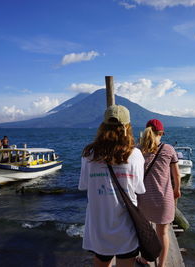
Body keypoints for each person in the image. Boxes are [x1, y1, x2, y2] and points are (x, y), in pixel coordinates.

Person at [78, 105, 145, 267]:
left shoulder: (89, 155)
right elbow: (139, 189)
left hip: (99, 227)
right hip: (126, 228)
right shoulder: (135, 155)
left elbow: (84, 185)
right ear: (127, 127)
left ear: (103, 126)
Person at [138, 119, 181, 267]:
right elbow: (177, 176)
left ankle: (145, 259)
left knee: (146, 232)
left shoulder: (138, 150)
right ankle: (161, 265)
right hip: (163, 200)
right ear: (161, 133)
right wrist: (177, 191)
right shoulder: (168, 149)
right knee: (163, 233)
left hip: (143, 199)